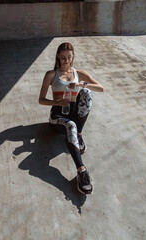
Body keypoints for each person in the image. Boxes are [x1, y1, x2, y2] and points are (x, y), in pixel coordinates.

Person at [38, 42, 104, 194]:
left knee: (87, 93)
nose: (66, 60)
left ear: (73, 56)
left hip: (74, 114)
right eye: (63, 57)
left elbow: (101, 87)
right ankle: (82, 171)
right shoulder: (51, 75)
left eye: (69, 57)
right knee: (71, 126)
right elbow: (41, 99)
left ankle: (78, 135)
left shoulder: (78, 73)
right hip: (58, 116)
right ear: (58, 57)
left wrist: (82, 84)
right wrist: (57, 102)